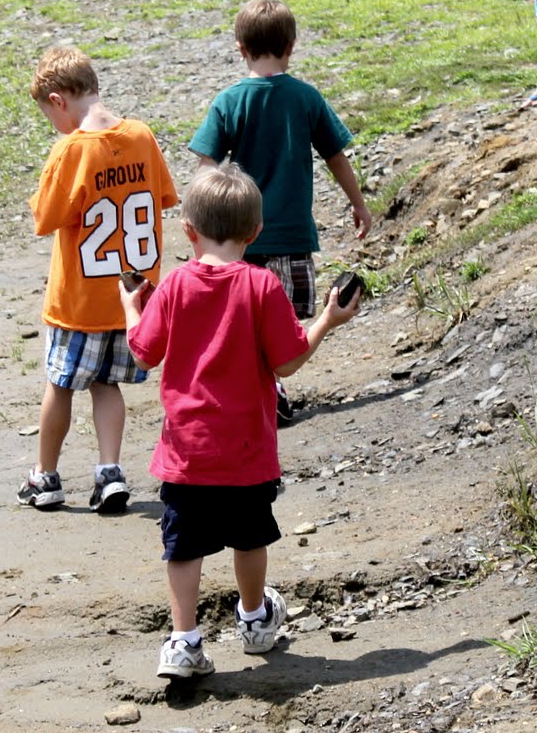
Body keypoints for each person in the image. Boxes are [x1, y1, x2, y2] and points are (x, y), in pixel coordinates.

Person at [122, 162, 360, 679]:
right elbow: (288, 361)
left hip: (187, 452)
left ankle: (183, 641)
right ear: (255, 232)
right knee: (250, 538)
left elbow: (142, 354)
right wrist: (327, 319)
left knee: (182, 547)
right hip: (248, 450)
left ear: (188, 231)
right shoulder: (262, 285)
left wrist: (130, 308)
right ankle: (253, 619)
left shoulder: (174, 286)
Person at [188, 0, 371, 426]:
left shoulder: (229, 102)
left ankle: (258, 391)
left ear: (240, 49)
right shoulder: (305, 97)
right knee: (278, 324)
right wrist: (358, 203)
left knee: (243, 320)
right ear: (291, 46)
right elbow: (335, 155)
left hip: (238, 238)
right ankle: (269, 389)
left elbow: (206, 166)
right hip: (290, 235)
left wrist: (201, 222)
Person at [20, 46, 179, 514]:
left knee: (60, 384)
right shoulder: (142, 135)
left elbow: (45, 218)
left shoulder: (71, 149)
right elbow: (163, 197)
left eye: (49, 115)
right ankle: (110, 472)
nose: (54, 124)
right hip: (132, 296)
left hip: (80, 302)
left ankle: (46, 477)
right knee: (107, 385)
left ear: (58, 100)